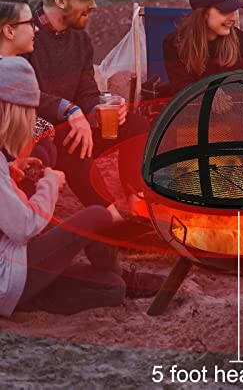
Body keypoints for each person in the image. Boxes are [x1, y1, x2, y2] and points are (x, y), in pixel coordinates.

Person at [0, 57, 163, 317]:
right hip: (8, 273)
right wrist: (50, 184)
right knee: (97, 215)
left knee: (112, 288)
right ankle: (120, 221)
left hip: (16, 268)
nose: (31, 121)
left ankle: (34, 297)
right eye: (28, 113)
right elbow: (23, 227)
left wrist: (10, 175)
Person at [23, 0, 149, 214]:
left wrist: (101, 106)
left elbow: (87, 93)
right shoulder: (23, 32)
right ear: (60, 1)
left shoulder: (81, 40)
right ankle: (107, 216)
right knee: (73, 142)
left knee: (136, 125)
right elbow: (22, 92)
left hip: (74, 122)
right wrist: (70, 111)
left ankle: (137, 204)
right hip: (31, 128)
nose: (94, 6)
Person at [162, 0, 243, 100]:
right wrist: (210, 95)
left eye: (233, 10)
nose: (233, 18)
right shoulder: (174, 43)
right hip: (188, 111)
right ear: (203, 13)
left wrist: (212, 94)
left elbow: (235, 90)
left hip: (230, 110)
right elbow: (181, 88)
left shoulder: (242, 42)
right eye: (225, 11)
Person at [0, 0, 56, 170]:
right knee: (41, 151)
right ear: (9, 31)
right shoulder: (12, 73)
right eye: (30, 23)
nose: (37, 29)